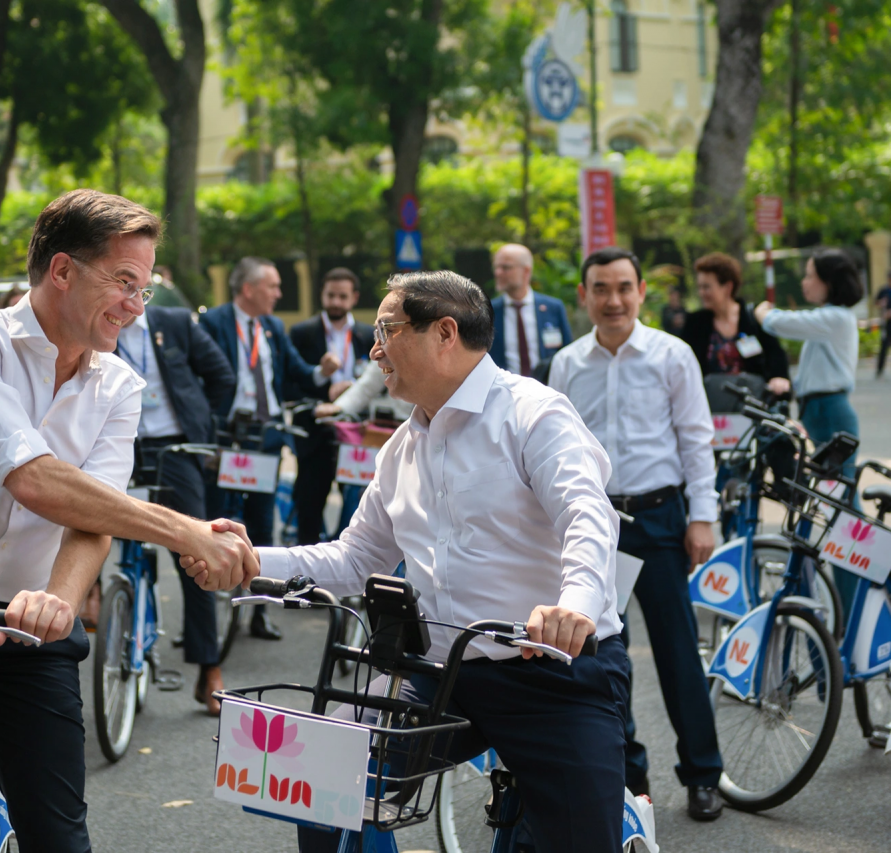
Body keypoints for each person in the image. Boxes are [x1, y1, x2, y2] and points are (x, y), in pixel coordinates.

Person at [0, 189, 254, 853]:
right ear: (62, 270)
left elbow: (91, 514)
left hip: (24, 621)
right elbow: (33, 478)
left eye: (144, 288)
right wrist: (181, 528)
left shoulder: (119, 386)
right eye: (124, 281)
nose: (135, 304)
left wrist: (60, 602)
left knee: (61, 836)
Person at [191, 270, 627, 852]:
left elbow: (587, 516)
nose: (373, 351)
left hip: (552, 671)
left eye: (387, 331)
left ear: (444, 332)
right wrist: (247, 558)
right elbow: (354, 557)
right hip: (439, 678)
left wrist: (574, 607)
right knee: (320, 789)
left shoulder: (533, 414)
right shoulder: (402, 447)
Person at [548, 246, 724, 821]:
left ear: (642, 291)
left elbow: (696, 440)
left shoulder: (673, 356)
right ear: (584, 295)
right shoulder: (568, 364)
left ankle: (703, 775)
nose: (614, 299)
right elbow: (557, 451)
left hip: (659, 520)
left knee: (677, 653)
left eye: (624, 286)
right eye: (601, 288)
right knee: (599, 657)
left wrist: (704, 516)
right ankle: (627, 781)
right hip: (595, 524)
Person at [200, 256, 338, 639]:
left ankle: (260, 611)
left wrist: (321, 372)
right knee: (221, 520)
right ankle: (211, 616)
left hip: (267, 436)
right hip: (230, 435)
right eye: (272, 286)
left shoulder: (274, 327)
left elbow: (298, 372)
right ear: (248, 289)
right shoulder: (214, 322)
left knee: (261, 523)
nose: (279, 293)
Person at [114, 302, 236, 714]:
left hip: (176, 448)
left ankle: (209, 668)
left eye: (134, 289)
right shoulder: (98, 325)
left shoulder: (175, 322)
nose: (125, 299)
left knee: (195, 552)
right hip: (120, 447)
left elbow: (222, 376)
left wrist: (204, 426)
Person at [755, 248, 864, 608]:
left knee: (842, 516)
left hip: (831, 414)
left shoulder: (835, 317)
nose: (804, 282)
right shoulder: (830, 319)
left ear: (827, 283)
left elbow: (780, 324)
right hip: (820, 411)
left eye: (809, 275)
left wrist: (764, 311)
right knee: (837, 513)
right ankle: (856, 603)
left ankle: (863, 600)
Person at [288, 268, 375, 545]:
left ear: (354, 298)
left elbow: (378, 382)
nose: (336, 302)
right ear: (322, 296)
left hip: (356, 433)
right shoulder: (301, 333)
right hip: (315, 433)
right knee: (310, 508)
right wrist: (325, 389)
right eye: (331, 295)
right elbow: (291, 382)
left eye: (342, 296)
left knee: (360, 512)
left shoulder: (368, 334)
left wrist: (351, 390)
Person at [682, 252, 790, 395]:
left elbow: (775, 355)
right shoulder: (695, 323)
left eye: (707, 287)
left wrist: (779, 379)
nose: (701, 293)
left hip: (752, 403)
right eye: (700, 287)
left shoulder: (753, 318)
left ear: (727, 287)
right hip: (711, 407)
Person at [487, 243, 572, 377]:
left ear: (526, 271)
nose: (498, 273)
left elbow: (567, 353)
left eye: (505, 267)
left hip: (546, 389)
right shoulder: (488, 311)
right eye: (496, 267)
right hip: (503, 392)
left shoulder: (553, 308)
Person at [875, 271, 891, 379]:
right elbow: (876, 303)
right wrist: (880, 303)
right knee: (884, 346)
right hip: (886, 324)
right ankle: (879, 370)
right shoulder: (884, 290)